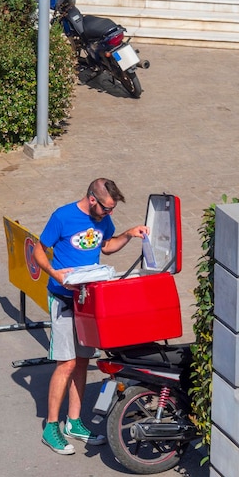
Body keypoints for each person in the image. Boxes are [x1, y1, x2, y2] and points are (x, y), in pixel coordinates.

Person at [33, 178, 149, 455]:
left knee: (83, 361)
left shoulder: (103, 219)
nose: (110, 214)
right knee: (67, 362)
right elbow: (38, 250)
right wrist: (55, 273)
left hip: (88, 299)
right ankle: (51, 427)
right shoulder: (63, 216)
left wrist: (129, 234)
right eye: (107, 209)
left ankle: (74, 421)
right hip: (63, 298)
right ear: (92, 199)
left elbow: (106, 246)